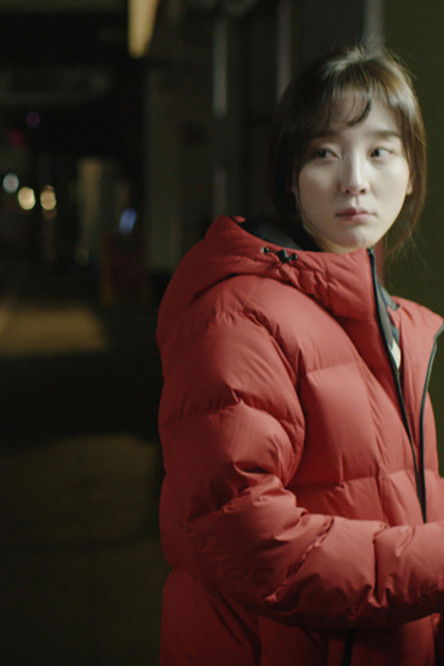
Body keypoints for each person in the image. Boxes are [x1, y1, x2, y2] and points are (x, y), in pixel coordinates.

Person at [156, 45, 444, 666]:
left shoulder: (390, 322)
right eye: (324, 153)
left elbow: (394, 493)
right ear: (290, 176)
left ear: (411, 173)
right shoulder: (239, 316)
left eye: (380, 151)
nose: (354, 180)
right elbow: (245, 533)